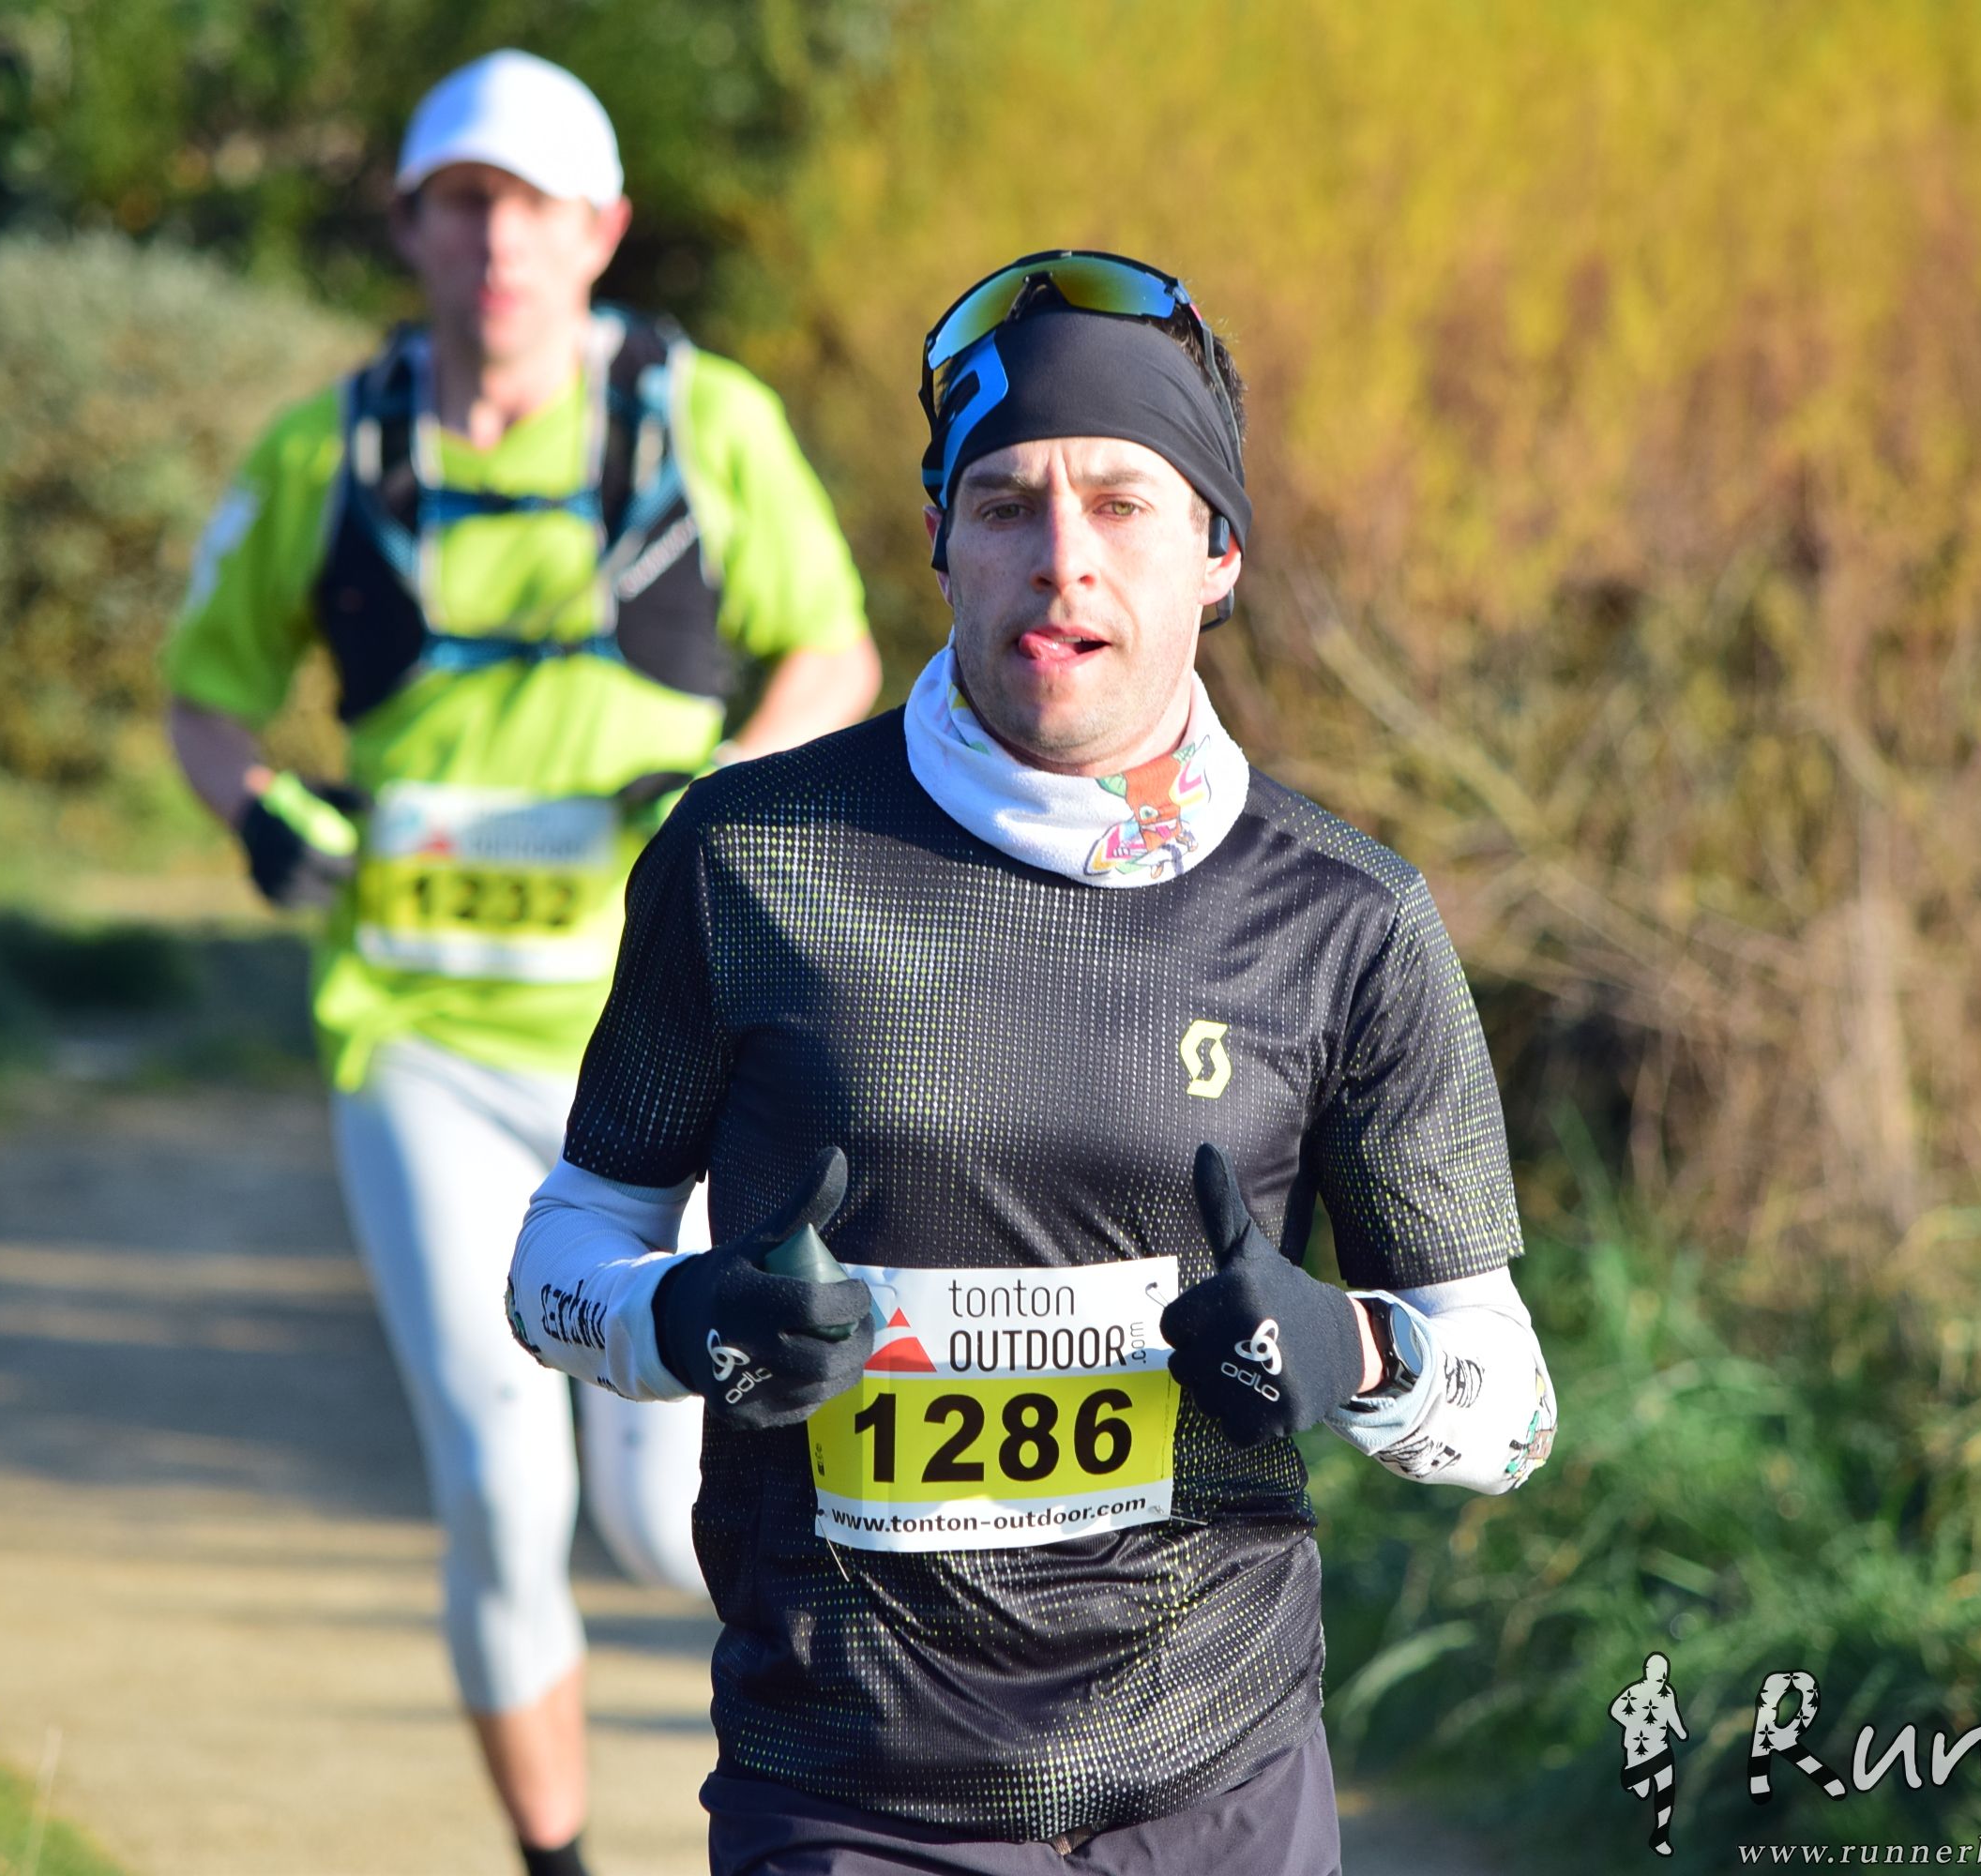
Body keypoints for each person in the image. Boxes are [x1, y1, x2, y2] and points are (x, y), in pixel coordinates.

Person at [507, 250, 1560, 1873]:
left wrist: (1355, 1350)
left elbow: (1514, 1414)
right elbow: (554, 1266)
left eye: (1124, 505)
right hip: (850, 1792)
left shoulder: (1343, 916)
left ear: (1218, 551)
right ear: (942, 538)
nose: (1064, 560)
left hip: (1219, 1790)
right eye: (1006, 504)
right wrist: (686, 1317)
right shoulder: (751, 858)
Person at [161, 49, 879, 1876]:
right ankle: (558, 1862)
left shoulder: (706, 425)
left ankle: (868, 1794)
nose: (498, 242)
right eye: (463, 204)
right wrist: (264, 818)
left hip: (669, 1050)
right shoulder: (324, 453)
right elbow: (205, 704)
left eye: (534, 206)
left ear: (602, 231)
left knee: (661, 1505)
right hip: (417, 1041)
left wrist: (726, 781)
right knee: (497, 1481)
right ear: (409, 225)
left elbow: (834, 652)